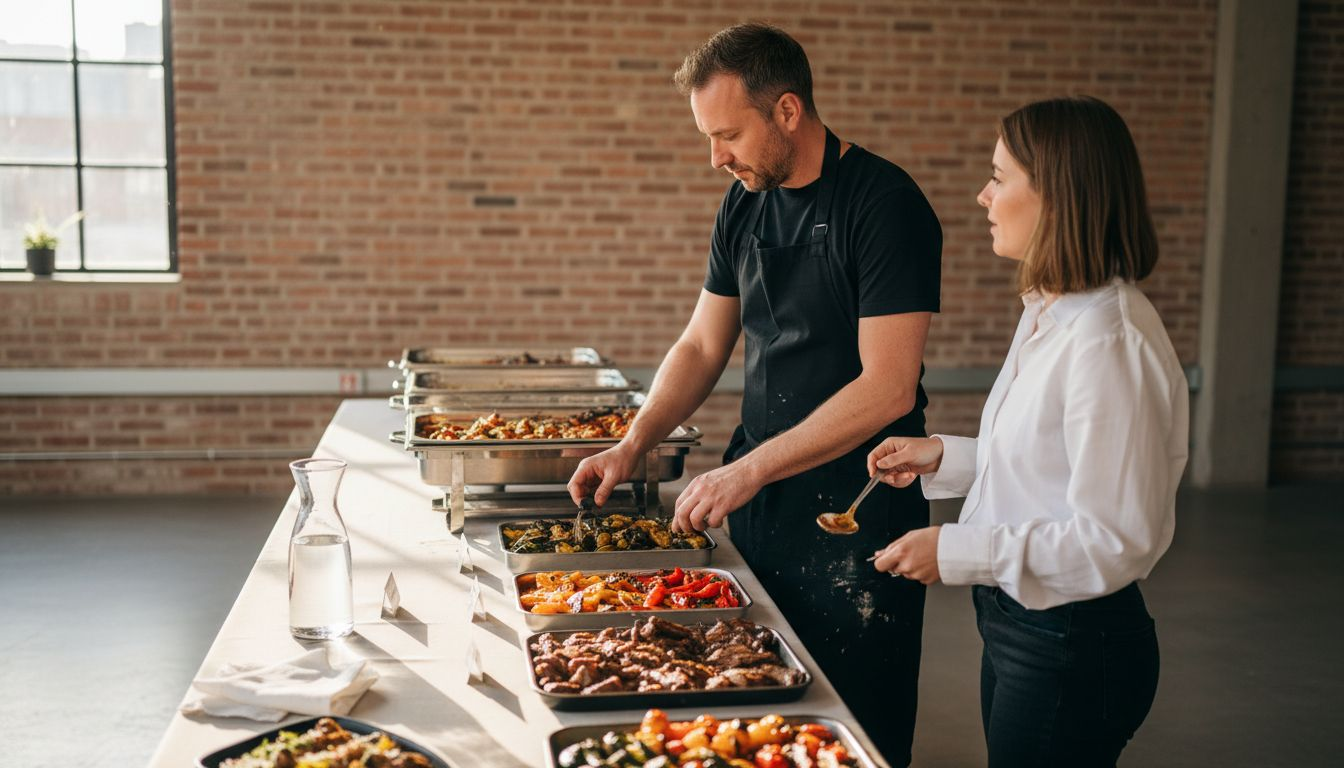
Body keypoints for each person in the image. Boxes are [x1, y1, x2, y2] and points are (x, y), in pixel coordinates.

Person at [566, 23, 941, 766]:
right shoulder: (744, 203)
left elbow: (889, 387)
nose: (717, 157)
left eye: (729, 134)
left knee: (853, 732)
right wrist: (633, 444)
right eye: (709, 137)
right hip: (763, 508)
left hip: (857, 516)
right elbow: (703, 345)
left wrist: (746, 469)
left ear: (789, 112)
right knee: (757, 719)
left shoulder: (884, 204)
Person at [868, 95, 1188, 767]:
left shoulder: (1109, 341)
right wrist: (944, 458)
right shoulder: (1051, 308)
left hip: (1072, 643)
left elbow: (1112, 540)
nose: (984, 196)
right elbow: (1053, 465)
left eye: (1000, 176)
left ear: (1057, 195)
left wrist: (955, 551)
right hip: (1023, 627)